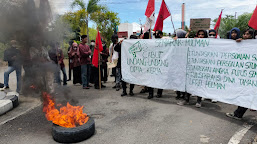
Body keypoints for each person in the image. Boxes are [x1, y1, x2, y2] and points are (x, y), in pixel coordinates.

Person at [226, 28, 254, 120]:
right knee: (244, 94)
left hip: (251, 76)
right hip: (244, 75)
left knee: (247, 94)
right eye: (245, 34)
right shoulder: (242, 43)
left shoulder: (254, 45)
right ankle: (238, 113)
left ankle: (238, 114)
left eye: (248, 34)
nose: (245, 36)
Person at [148, 30, 164, 99]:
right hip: (152, 64)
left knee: (160, 79)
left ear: (161, 35)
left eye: (157, 33)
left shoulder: (165, 43)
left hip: (161, 64)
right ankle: (150, 93)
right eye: (155, 33)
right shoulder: (151, 42)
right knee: (150, 79)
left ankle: (159, 93)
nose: (156, 34)